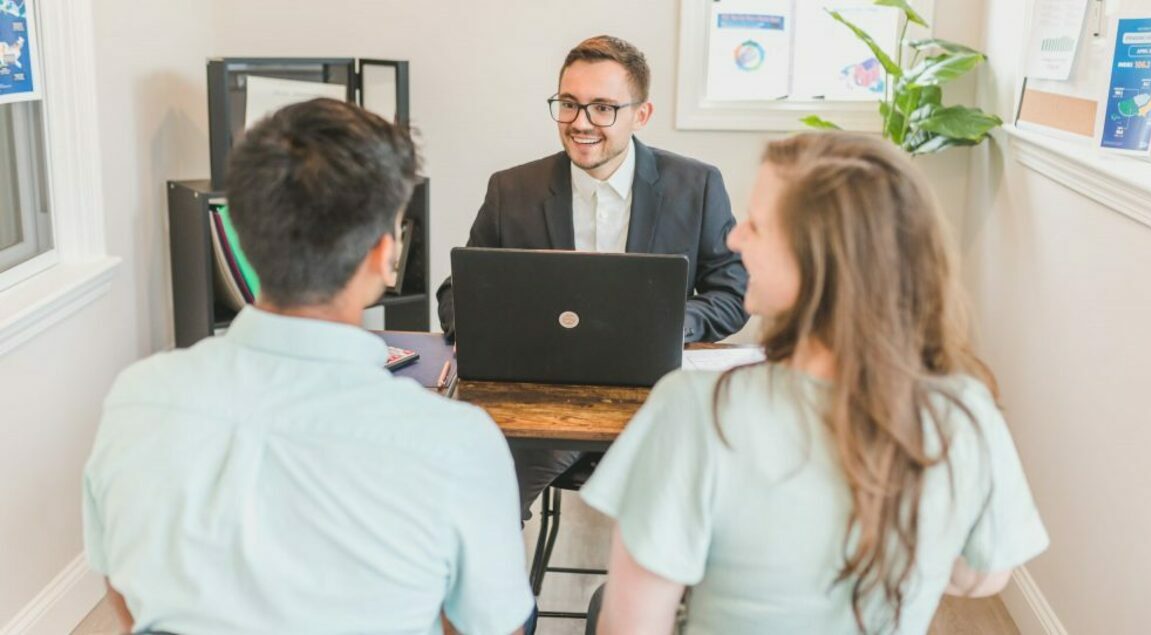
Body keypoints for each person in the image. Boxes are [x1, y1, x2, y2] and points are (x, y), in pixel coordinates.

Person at [82, 99, 534, 635]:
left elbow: (122, 586)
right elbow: (491, 627)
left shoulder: (136, 398)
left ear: (244, 236)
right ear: (384, 254)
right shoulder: (458, 443)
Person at [580, 132, 1050, 634]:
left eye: (757, 227)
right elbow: (981, 575)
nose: (735, 241)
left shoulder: (695, 409)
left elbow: (629, 627)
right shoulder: (966, 411)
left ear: (818, 260)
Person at [436, 35, 749, 520]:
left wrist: (672, 323)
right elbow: (457, 292)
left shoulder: (697, 185)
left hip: (655, 406)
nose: (581, 123)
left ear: (640, 115)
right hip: (540, 406)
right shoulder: (511, 189)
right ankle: (503, 598)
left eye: (603, 108)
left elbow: (732, 291)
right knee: (471, 500)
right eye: (569, 104)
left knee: (695, 510)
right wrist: (495, 331)